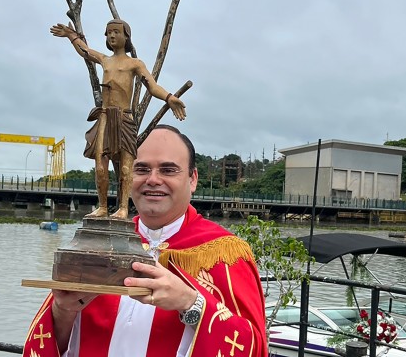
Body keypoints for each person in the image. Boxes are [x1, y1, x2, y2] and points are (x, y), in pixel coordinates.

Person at [23, 125, 267, 356]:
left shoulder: (225, 252)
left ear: (192, 179)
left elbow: (254, 347)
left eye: (168, 170)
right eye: (141, 169)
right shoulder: (97, 243)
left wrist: (191, 303)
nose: (153, 179)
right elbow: (51, 342)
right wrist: (62, 310)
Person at [50, 20, 187, 219]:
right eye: (108, 33)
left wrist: (169, 97)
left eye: (116, 32)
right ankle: (103, 206)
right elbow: (85, 51)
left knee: (125, 166)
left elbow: (152, 85)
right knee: (100, 164)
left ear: (126, 37)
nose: (111, 36)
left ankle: (123, 207)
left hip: (124, 118)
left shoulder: (134, 64)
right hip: (105, 116)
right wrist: (71, 35)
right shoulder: (105, 60)